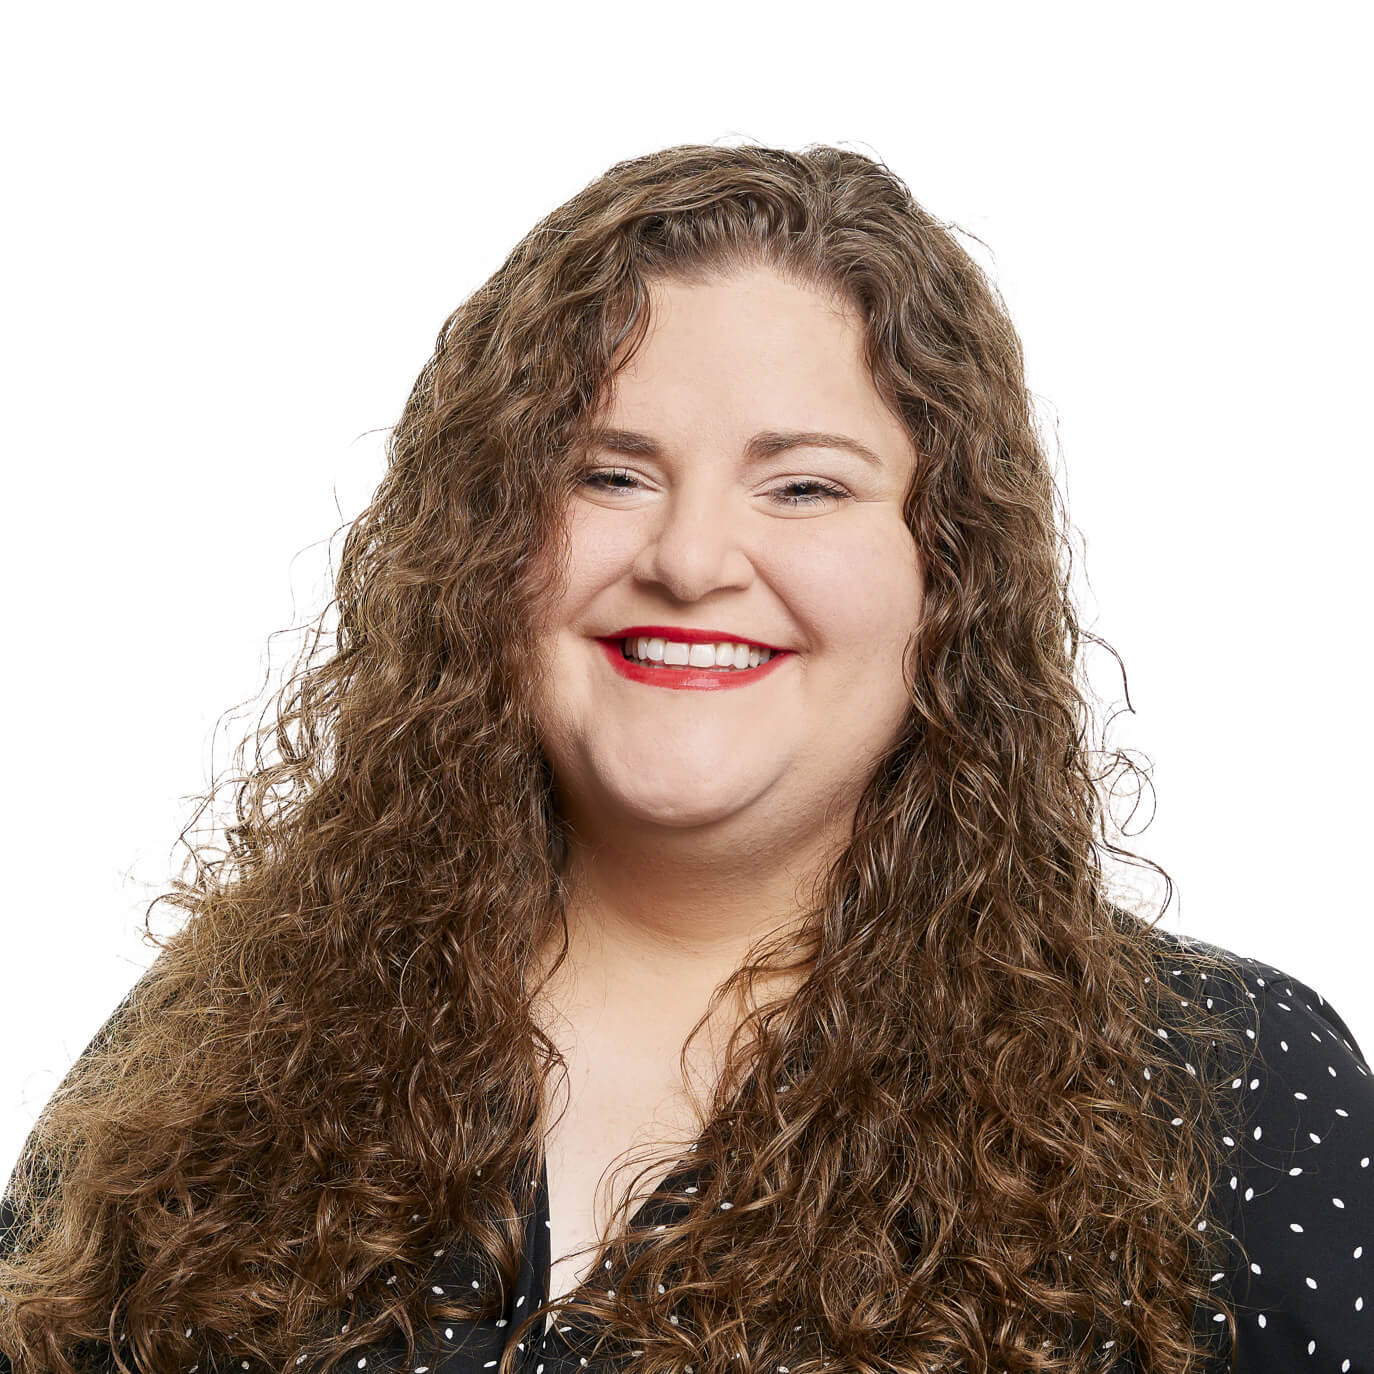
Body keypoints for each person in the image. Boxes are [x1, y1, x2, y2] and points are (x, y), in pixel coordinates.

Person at [1, 142, 1369, 1374]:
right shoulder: (215, 1049)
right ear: (483, 543)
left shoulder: (1225, 1086)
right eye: (608, 472)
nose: (691, 557)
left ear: (947, 573)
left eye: (804, 485)